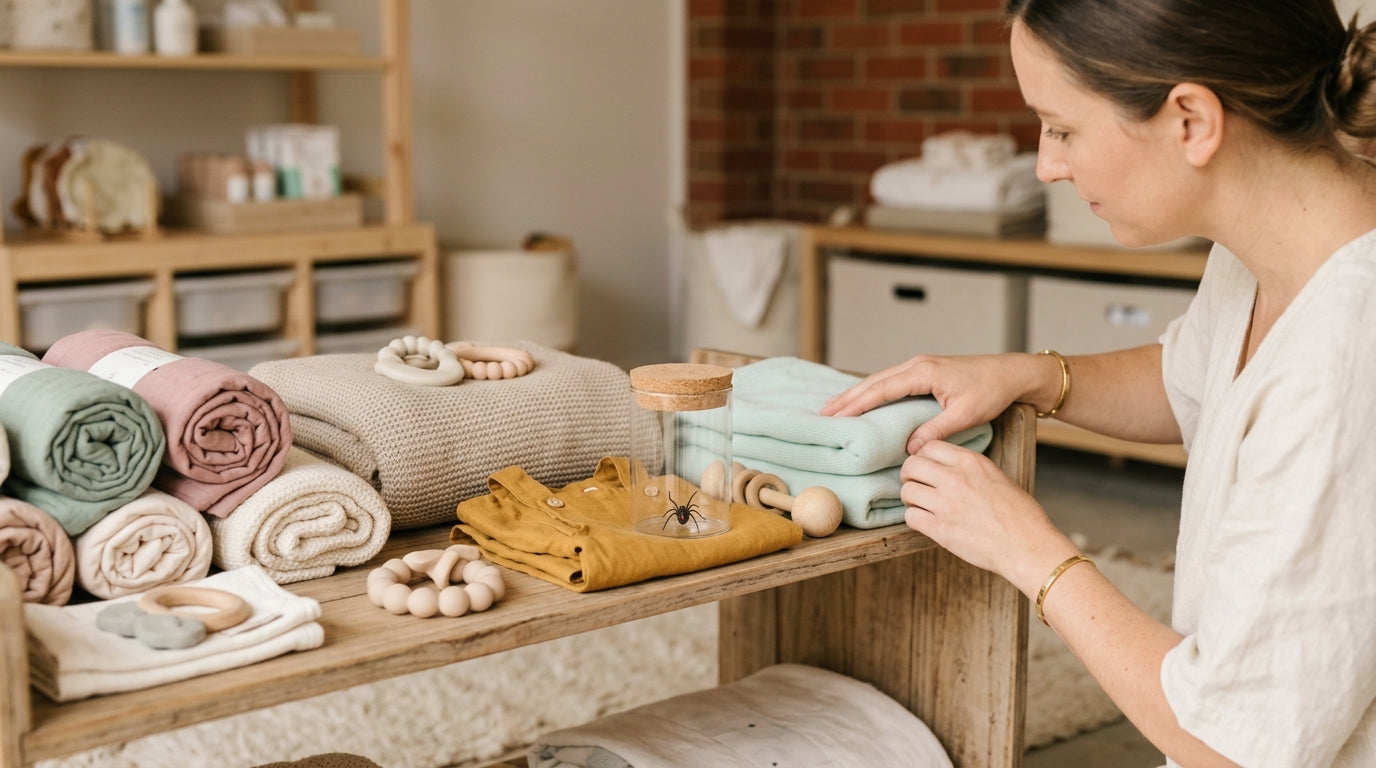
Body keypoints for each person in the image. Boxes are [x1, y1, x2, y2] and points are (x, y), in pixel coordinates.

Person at [821, 1, 1376, 766]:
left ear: (1191, 121)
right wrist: (1035, 375)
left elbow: (1232, 746)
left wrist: (1030, 551)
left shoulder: (1348, 356)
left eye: (1062, 128)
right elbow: (1195, 380)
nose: (1047, 165)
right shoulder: (1272, 244)